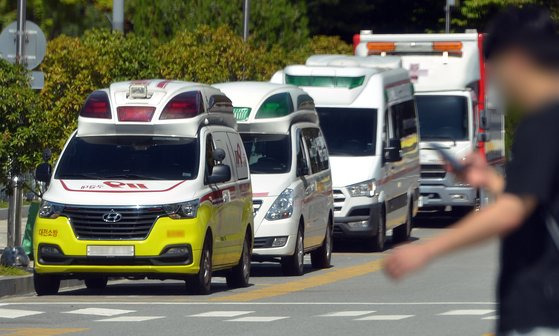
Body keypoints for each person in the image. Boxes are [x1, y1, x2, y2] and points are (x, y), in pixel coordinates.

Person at [383, 6, 559, 336]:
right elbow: (541, 204)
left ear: (517, 59)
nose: (498, 87)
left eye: (497, 73)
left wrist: (426, 250)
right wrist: (489, 181)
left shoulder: (544, 121)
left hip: (541, 312)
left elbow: (513, 211)